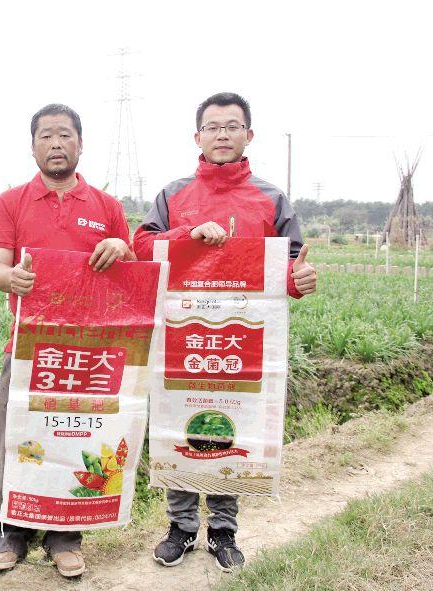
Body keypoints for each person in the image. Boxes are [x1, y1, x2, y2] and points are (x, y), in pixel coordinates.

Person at [133, 92, 317, 573]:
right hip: (183, 336)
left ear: (248, 135)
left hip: (241, 339)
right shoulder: (173, 196)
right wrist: (186, 235)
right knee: (180, 419)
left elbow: (290, 264)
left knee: (233, 422)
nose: (222, 134)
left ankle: (222, 530)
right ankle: (180, 526)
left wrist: (299, 282)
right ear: (197, 137)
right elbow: (143, 247)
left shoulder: (271, 198)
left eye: (232, 126)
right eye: (213, 127)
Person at [0, 104, 135, 578]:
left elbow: (128, 266)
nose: (55, 144)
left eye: (64, 135)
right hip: (29, 345)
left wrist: (121, 248)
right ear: (32, 147)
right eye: (45, 136)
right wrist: (12, 279)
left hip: (88, 348)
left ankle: (65, 538)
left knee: (75, 437)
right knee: (15, 439)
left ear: (80, 144)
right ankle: (5, 538)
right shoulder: (11, 202)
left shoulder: (106, 207)